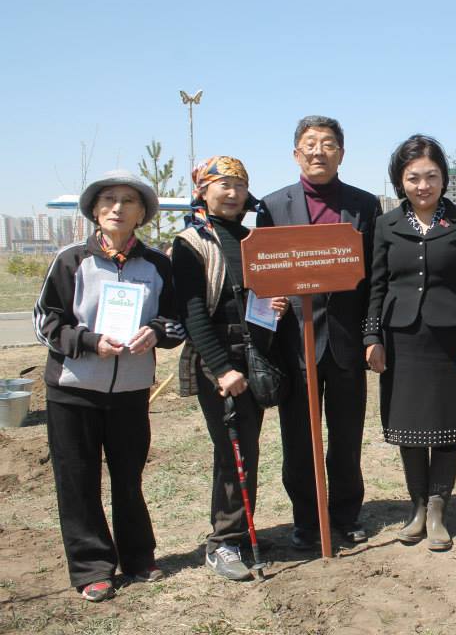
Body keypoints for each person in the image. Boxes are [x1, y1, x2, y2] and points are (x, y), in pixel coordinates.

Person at [35, 170, 183, 601]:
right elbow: (46, 321)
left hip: (132, 391)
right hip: (73, 389)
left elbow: (175, 322)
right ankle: (92, 567)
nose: (118, 208)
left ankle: (138, 557)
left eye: (128, 202)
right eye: (109, 201)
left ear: (142, 214)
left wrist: (156, 330)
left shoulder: (157, 265)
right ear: (96, 211)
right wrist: (88, 342)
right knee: (77, 479)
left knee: (129, 476)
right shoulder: (71, 260)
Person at [258, 116, 382, 547]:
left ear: (341, 154)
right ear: (296, 153)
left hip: (346, 341)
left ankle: (346, 516)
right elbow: (262, 271)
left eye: (328, 144)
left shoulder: (365, 205)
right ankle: (308, 521)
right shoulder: (272, 206)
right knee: (298, 439)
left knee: (346, 438)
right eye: (309, 144)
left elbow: (374, 277)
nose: (318, 151)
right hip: (295, 342)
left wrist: (371, 336)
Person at [363, 134, 456, 552]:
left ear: (443, 178)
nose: (423, 185)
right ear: (401, 180)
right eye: (413, 177)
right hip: (401, 338)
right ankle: (416, 508)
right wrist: (372, 335)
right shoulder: (386, 224)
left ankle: (438, 510)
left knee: (446, 424)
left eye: (431, 176)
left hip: (450, 339)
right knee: (408, 428)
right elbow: (376, 285)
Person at [172, 156, 290, 580]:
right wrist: (222, 369)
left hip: (253, 354)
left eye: (239, 184)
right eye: (222, 184)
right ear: (202, 190)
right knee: (232, 451)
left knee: (249, 448)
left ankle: (242, 532)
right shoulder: (191, 243)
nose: (232, 192)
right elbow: (193, 314)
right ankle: (222, 542)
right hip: (218, 362)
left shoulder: (252, 238)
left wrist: (276, 304)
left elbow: (260, 297)